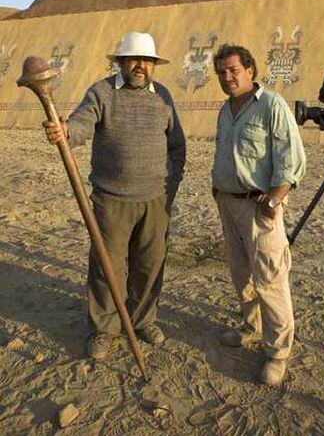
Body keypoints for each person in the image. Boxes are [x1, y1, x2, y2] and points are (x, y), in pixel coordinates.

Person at [43, 32, 186, 359]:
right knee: (108, 267)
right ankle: (105, 330)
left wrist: (170, 186)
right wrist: (64, 132)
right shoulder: (102, 92)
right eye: (134, 59)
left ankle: (143, 321)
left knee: (149, 265)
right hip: (111, 200)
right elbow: (80, 126)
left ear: (153, 65)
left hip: (156, 201)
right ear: (121, 62)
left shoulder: (163, 96)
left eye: (147, 60)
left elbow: (178, 147)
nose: (140, 66)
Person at [212, 43, 306, 385]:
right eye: (221, 72)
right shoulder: (226, 110)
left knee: (270, 280)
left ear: (250, 71)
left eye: (233, 70)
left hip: (259, 207)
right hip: (228, 203)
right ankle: (251, 328)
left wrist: (275, 198)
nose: (227, 77)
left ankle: (278, 353)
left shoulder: (271, 105)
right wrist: (217, 189)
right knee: (242, 276)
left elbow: (291, 157)